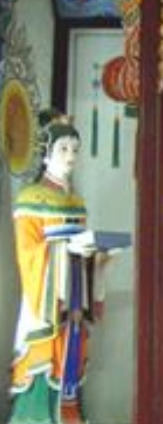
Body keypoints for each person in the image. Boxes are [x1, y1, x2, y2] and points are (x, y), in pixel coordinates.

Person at [9, 109, 108, 424]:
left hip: (75, 288)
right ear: (46, 153)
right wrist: (63, 250)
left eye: (75, 150)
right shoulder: (30, 198)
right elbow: (28, 252)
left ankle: (68, 414)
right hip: (46, 293)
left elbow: (82, 244)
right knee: (46, 355)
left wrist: (97, 260)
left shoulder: (76, 202)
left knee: (73, 347)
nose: (71, 157)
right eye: (63, 149)